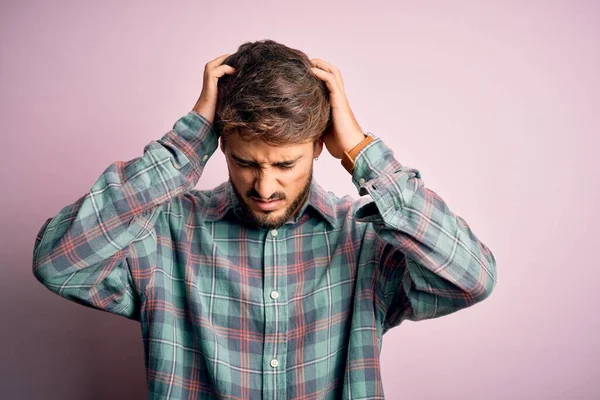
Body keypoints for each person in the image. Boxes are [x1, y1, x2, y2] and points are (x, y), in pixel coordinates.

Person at [32, 39, 497, 399]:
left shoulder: (364, 237)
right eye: (245, 162)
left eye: (285, 165)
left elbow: (471, 278)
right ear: (222, 146)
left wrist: (361, 153)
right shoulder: (167, 231)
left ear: (318, 146)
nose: (264, 188)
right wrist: (185, 146)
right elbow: (58, 263)